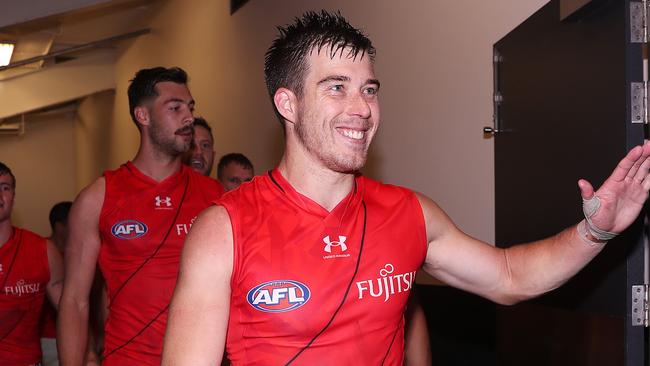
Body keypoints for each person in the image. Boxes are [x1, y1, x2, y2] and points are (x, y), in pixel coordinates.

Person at [162, 11, 650, 365]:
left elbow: (509, 276)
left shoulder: (409, 212)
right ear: (287, 104)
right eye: (336, 87)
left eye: (369, 89)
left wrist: (596, 231)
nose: (361, 108)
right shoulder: (223, 229)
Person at [58, 67, 224, 366]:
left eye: (190, 108)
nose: (188, 118)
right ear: (142, 116)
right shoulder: (98, 198)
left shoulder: (215, 197)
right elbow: (75, 302)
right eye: (175, 108)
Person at [0, 162, 64, 366]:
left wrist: (86, 355)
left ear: (13, 197)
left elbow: (71, 308)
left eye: (5, 188)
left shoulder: (42, 250)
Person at [40, 201, 73, 366]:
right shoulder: (41, 252)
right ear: (60, 226)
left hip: (75, 332)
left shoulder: (80, 253)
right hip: (47, 339)